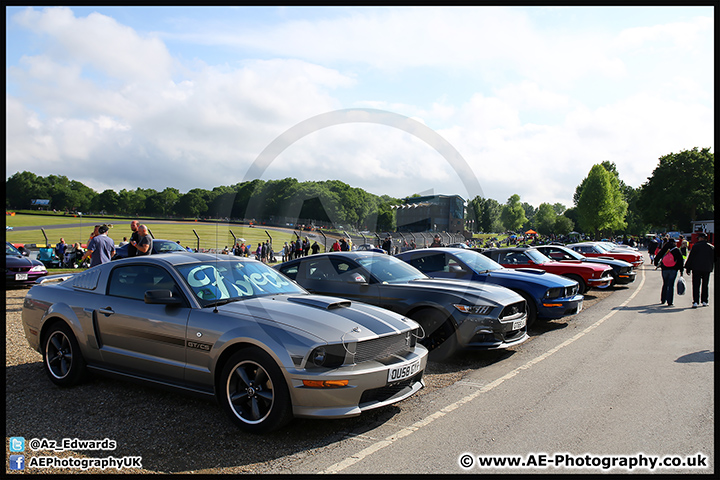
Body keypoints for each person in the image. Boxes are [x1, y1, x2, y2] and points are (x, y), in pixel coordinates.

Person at [684, 232, 714, 308]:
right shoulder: (711, 247)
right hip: (707, 268)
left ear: (701, 238)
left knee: (696, 285)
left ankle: (695, 301)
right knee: (705, 285)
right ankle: (704, 301)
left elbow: (691, 258)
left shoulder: (696, 246)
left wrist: (688, 268)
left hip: (696, 268)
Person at [653, 236, 684, 307]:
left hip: (664, 269)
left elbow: (658, 257)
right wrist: (681, 271)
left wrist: (656, 264)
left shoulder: (664, 249)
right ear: (674, 243)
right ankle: (670, 301)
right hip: (673, 269)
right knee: (671, 285)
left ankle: (663, 299)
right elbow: (680, 261)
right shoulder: (676, 250)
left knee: (665, 284)